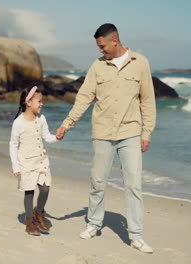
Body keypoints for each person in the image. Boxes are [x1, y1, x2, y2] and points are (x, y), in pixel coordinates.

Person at [56, 23, 156, 253]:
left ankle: (136, 235)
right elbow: (83, 98)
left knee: (133, 185)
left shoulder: (140, 63)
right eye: (98, 47)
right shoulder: (97, 67)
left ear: (115, 41)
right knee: (97, 182)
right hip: (102, 132)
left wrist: (147, 132)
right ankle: (93, 223)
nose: (100, 50)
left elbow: (148, 101)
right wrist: (66, 124)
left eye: (102, 46)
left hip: (130, 132)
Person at [9, 86, 59, 236]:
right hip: (26, 162)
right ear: (28, 102)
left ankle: (39, 212)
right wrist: (15, 167)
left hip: (41, 160)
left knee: (45, 189)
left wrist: (57, 137)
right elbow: (13, 144)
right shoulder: (18, 123)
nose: (42, 104)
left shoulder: (41, 119)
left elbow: (47, 137)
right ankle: (30, 221)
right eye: (39, 101)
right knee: (29, 192)